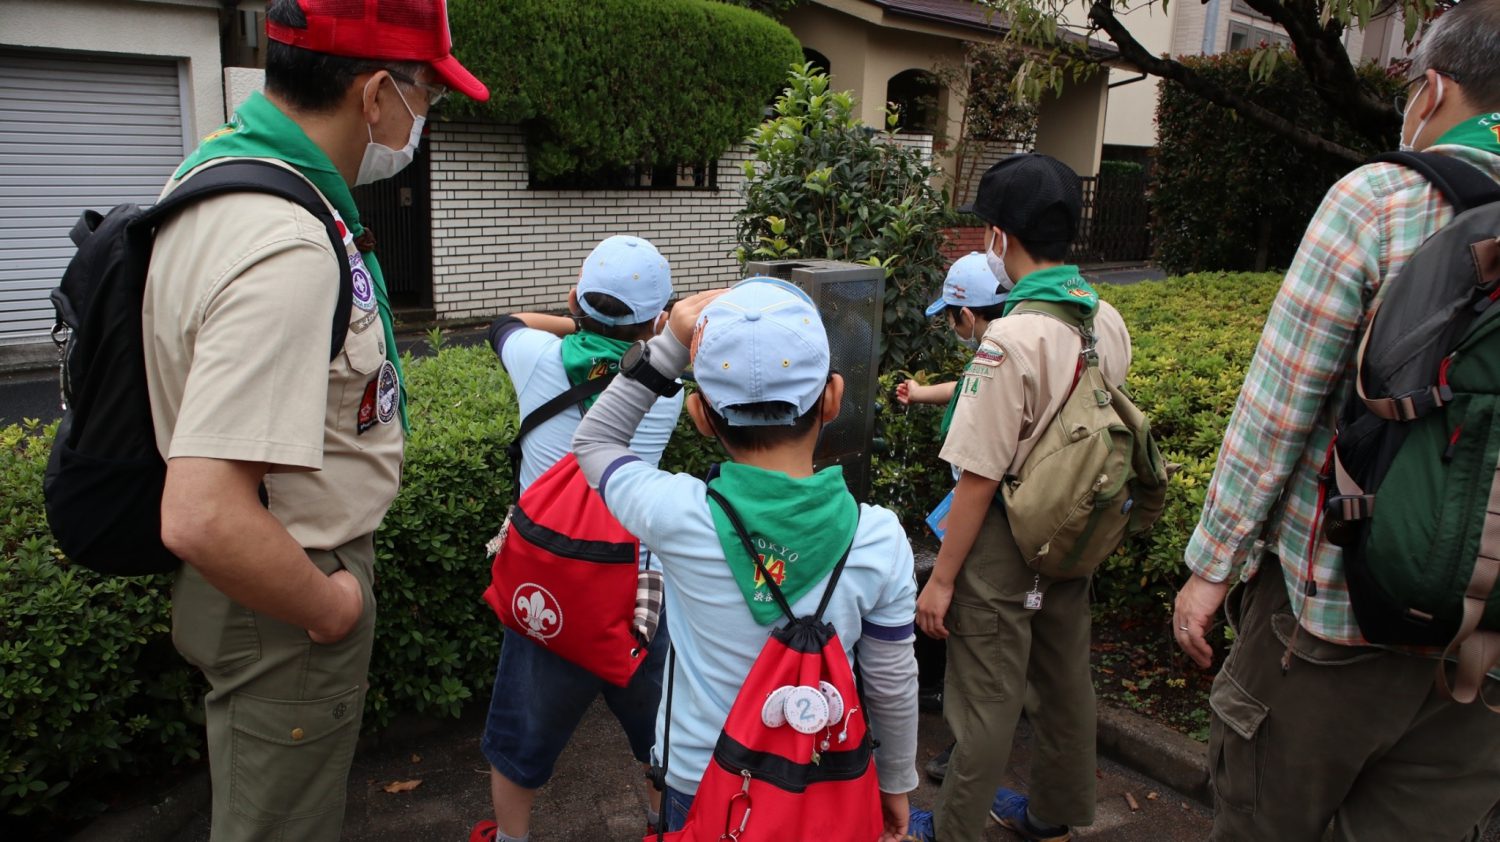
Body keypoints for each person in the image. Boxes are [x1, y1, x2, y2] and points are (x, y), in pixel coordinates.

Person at [142, 1, 488, 839]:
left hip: (265, 586)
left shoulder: (217, 177)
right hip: (287, 591)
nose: (422, 122)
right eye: (424, 98)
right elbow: (203, 513)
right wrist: (330, 609)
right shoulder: (286, 243)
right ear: (374, 95)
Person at [1172, 4, 1500, 839]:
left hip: (1333, 617)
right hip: (1483, 646)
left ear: (1431, 88)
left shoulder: (1382, 201)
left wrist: (1212, 566)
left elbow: (1279, 404)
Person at [572, 280, 921, 840]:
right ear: (832, 399)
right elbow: (892, 680)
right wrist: (896, 780)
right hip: (825, 779)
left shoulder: (676, 515)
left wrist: (667, 348)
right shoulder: (879, 539)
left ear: (701, 416)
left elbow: (595, 443)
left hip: (701, 775)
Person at [908, 154, 1132, 842]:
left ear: (1001, 237)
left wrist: (942, 580)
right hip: (1076, 529)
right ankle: (1057, 813)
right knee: (1065, 682)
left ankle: (955, 828)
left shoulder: (1010, 338)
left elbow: (979, 473)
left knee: (986, 698)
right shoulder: (1104, 319)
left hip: (1009, 538)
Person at [472, 235, 682, 842]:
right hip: (639, 582)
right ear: (659, 319)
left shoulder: (535, 356)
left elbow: (503, 322)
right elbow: (655, 350)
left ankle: (511, 838)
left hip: (551, 575)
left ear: (573, 299)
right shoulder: (668, 391)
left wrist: (574, 319)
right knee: (660, 731)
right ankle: (659, 826)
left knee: (519, 735)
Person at [897, 251, 1010, 418]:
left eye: (948, 316)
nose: (950, 325)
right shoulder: (1010, 341)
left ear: (965, 315)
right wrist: (917, 393)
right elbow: (964, 386)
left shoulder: (994, 360)